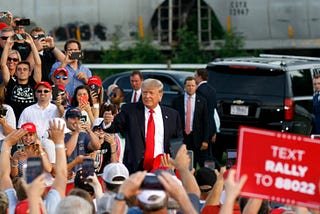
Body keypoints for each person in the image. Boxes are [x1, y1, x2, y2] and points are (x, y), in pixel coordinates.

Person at [102, 78, 182, 173]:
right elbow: (113, 127)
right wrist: (107, 122)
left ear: (160, 95)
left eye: (151, 93)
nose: (147, 96)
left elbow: (178, 140)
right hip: (136, 167)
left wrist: (174, 163)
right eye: (144, 93)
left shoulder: (172, 115)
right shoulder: (130, 111)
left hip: (162, 166)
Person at [172, 76, 209, 167]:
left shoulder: (202, 101)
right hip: (181, 136)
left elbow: (206, 122)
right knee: (181, 161)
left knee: (195, 161)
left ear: (196, 86)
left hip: (196, 137)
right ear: (184, 87)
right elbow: (173, 121)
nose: (191, 88)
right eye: (188, 85)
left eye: (193, 85)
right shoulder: (177, 101)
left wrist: (205, 140)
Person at [64, 107, 100, 173]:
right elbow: (67, 153)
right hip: (67, 175)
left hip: (83, 175)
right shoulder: (62, 136)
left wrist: (89, 131)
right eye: (73, 118)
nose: (76, 121)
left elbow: (96, 147)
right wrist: (77, 132)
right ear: (66, 120)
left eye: (78, 119)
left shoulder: (84, 135)